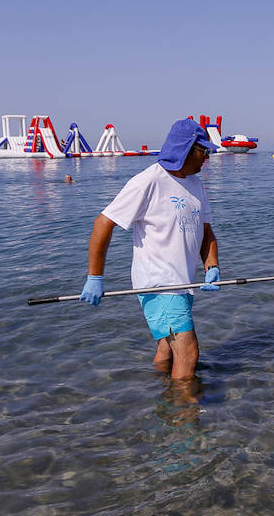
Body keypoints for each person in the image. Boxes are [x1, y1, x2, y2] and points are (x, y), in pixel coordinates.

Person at [79, 118, 221, 381]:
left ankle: (158, 390)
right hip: (158, 283)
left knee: (168, 346)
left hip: (183, 282)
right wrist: (95, 277)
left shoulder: (196, 185)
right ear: (187, 149)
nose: (207, 158)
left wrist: (211, 265)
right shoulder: (147, 181)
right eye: (204, 151)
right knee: (188, 353)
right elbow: (103, 224)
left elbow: (206, 232)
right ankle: (183, 416)